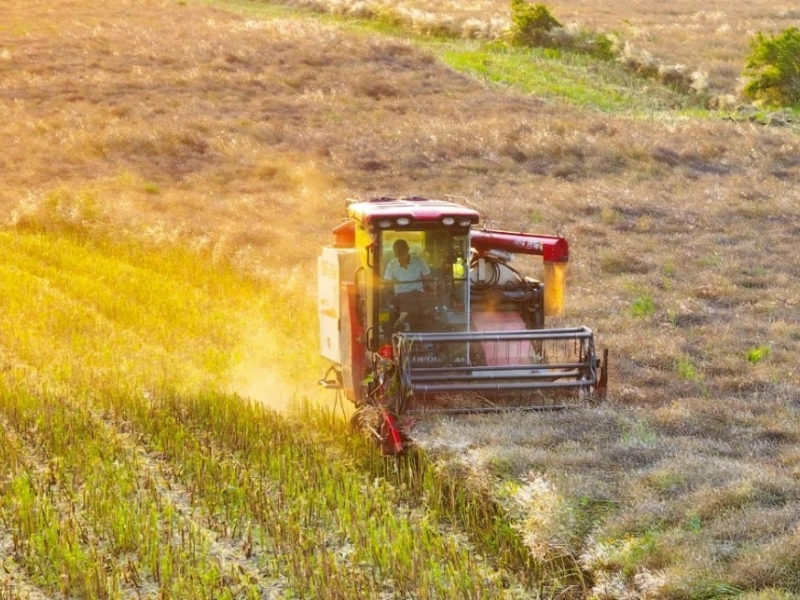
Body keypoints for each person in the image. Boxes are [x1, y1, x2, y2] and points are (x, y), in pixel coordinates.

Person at [383, 239, 432, 331]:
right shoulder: (391, 265)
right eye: (399, 255)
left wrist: (433, 289)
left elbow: (428, 279)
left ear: (408, 250)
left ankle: (400, 320)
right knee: (410, 298)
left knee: (415, 296)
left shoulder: (419, 261)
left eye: (403, 255)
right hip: (401, 296)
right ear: (395, 254)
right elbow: (387, 283)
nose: (401, 258)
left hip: (418, 294)